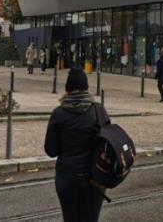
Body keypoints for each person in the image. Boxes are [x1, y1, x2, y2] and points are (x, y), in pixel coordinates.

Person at [45, 68, 109, 222]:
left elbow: (51, 150)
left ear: (67, 88)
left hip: (67, 178)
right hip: (95, 177)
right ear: (86, 87)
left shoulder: (58, 113)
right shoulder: (99, 111)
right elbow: (107, 143)